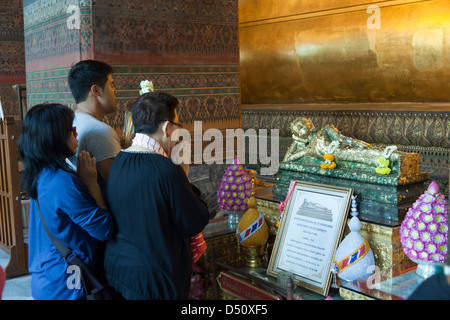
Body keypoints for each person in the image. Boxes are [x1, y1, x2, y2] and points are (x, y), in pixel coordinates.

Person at [103, 92, 210, 300]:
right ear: (166, 128)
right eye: (178, 127)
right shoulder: (166, 170)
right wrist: (184, 177)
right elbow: (195, 220)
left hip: (120, 270)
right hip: (155, 279)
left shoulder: (119, 160)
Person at [19, 103, 114, 300]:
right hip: (67, 286)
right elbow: (104, 229)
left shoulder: (39, 173)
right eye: (70, 129)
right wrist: (91, 184)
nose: (76, 132)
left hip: (46, 280)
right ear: (54, 137)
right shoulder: (62, 181)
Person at [67, 59, 122, 190]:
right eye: (112, 85)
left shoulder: (70, 122)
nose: (115, 91)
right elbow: (119, 187)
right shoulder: (101, 131)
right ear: (96, 90)